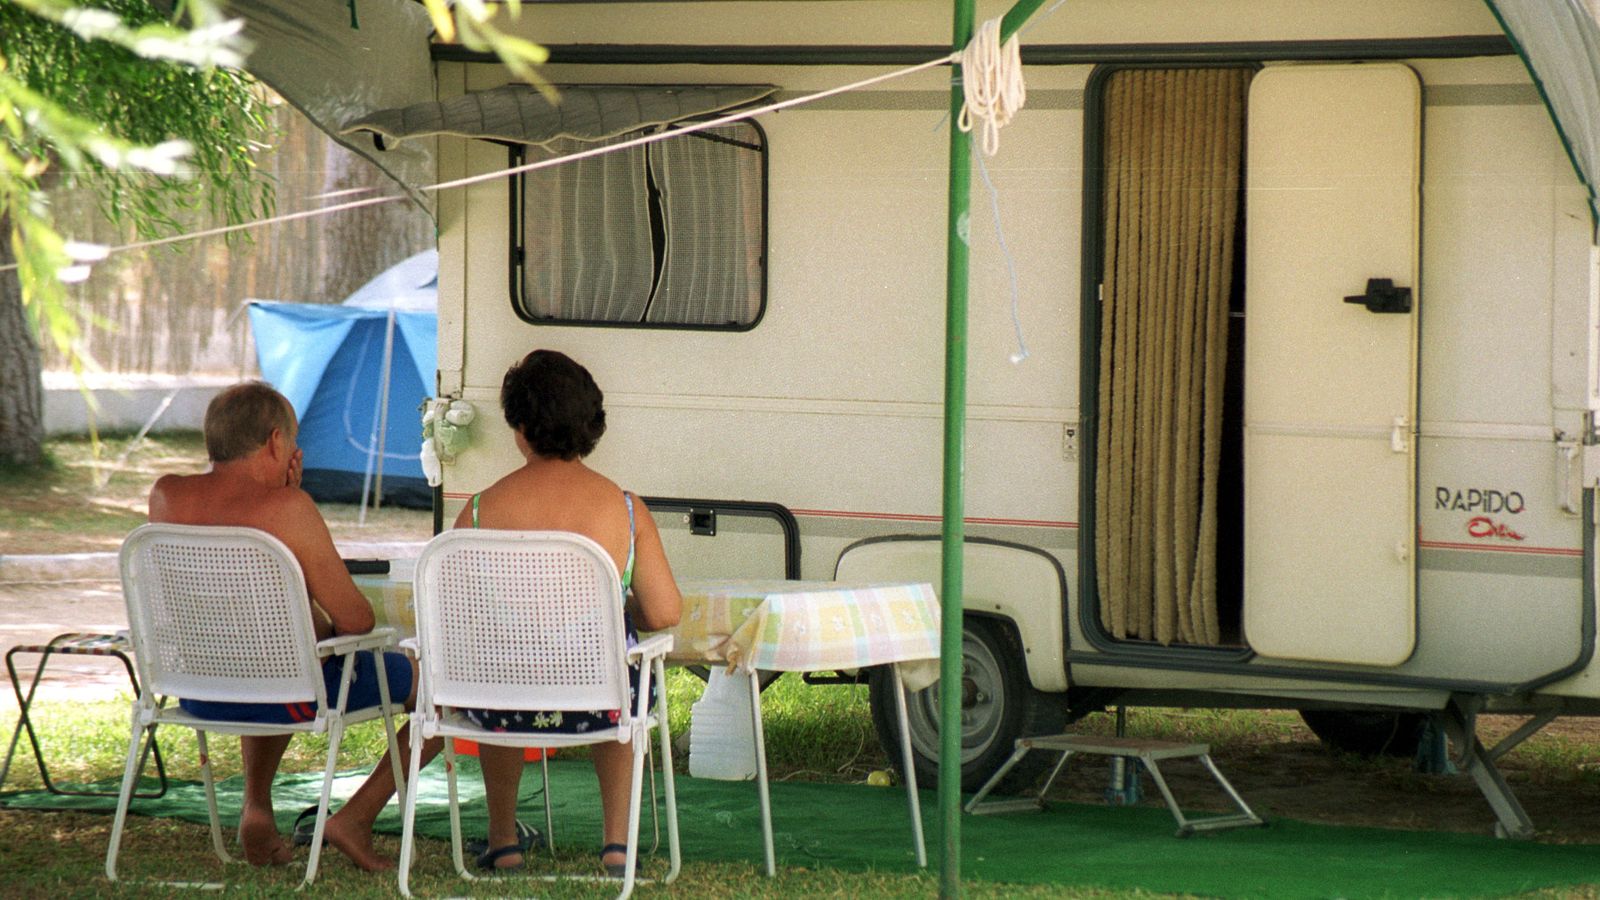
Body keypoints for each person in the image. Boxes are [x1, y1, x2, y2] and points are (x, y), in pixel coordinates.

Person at [146, 380, 441, 871]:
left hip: (196, 689)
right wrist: (292, 504)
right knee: (444, 690)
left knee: (273, 656)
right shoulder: (287, 509)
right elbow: (356, 619)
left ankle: (256, 805)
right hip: (291, 693)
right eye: (293, 441)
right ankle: (355, 818)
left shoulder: (167, 495)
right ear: (276, 443)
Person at [455, 348, 682, 875]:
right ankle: (616, 844)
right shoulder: (624, 508)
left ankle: (503, 839)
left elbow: (460, 611)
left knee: (502, 663)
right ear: (591, 422)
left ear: (520, 425)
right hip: (600, 699)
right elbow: (666, 610)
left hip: (500, 698)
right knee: (621, 668)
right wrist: (617, 615)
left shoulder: (482, 507)